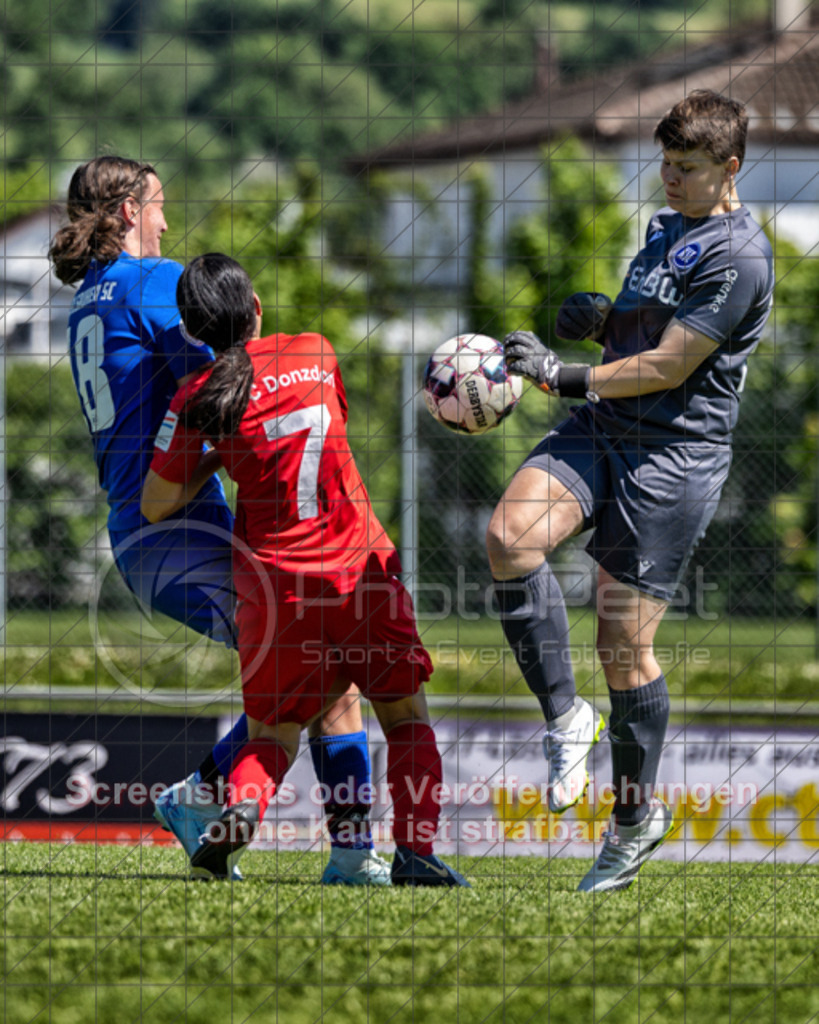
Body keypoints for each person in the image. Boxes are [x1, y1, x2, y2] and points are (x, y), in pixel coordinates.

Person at [48, 157, 389, 885]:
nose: (166, 222)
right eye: (158, 206)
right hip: (173, 531)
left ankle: (218, 802)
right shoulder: (153, 280)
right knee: (320, 671)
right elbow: (229, 387)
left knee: (317, 674)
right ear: (124, 213)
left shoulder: (88, 299)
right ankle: (341, 851)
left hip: (158, 535)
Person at [486, 91, 774, 892]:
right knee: (509, 540)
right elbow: (641, 337)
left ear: (729, 170)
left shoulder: (740, 255)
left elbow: (671, 366)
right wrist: (604, 318)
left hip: (673, 456)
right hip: (605, 430)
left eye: (685, 169)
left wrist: (560, 371)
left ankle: (632, 821)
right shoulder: (662, 230)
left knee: (622, 643)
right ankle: (563, 717)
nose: (668, 179)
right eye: (664, 164)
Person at [141, 253, 470, 886]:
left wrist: (219, 452)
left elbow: (156, 503)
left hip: (272, 589)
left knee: (273, 733)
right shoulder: (315, 352)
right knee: (404, 717)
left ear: (192, 331)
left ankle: (240, 809)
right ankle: (415, 854)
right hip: (358, 570)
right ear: (256, 305)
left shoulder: (198, 401)